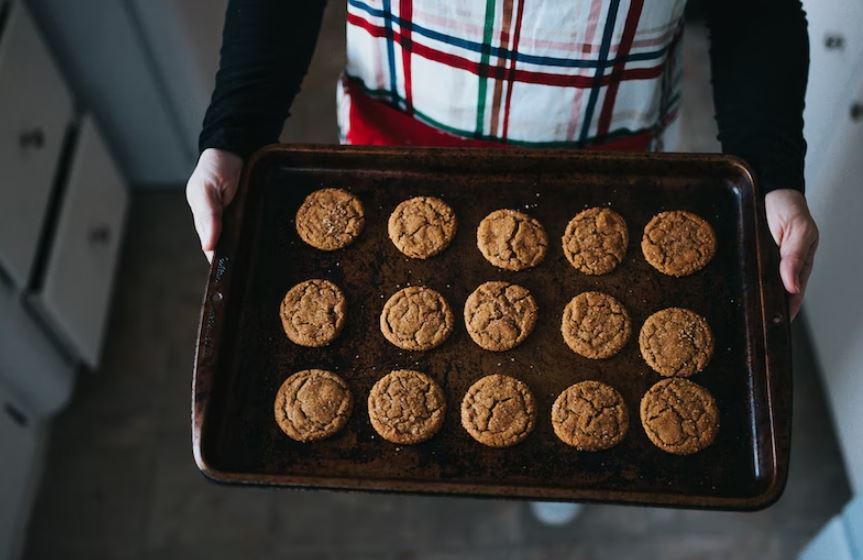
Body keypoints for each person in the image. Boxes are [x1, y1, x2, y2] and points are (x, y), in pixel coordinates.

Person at [187, 0, 818, 319]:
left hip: (608, 167)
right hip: (398, 148)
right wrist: (234, 133)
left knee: (586, 337)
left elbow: (755, 11)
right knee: (400, 317)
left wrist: (772, 170)